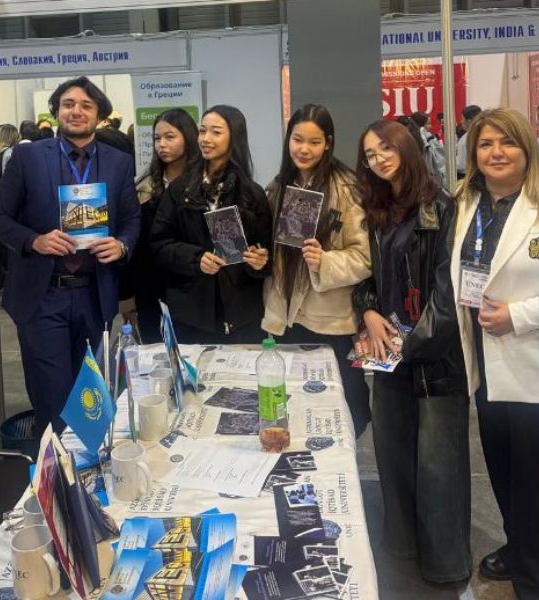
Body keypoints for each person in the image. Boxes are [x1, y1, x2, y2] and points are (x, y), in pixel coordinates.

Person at [452, 108, 539, 599]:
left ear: (528, 147)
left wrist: (519, 316)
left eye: (507, 143)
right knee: (502, 465)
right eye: (485, 144)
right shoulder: (465, 202)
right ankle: (520, 547)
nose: (496, 153)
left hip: (538, 358)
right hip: (485, 356)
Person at [0, 76, 140, 434]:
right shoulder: (27, 157)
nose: (76, 111)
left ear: (99, 115)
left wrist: (122, 244)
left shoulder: (119, 162)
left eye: (86, 105)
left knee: (90, 394)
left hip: (94, 293)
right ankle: (57, 467)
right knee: (52, 397)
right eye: (68, 104)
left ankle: (91, 463)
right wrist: (34, 241)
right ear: (56, 111)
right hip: (43, 295)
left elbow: (132, 219)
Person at [352, 119, 471, 583]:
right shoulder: (379, 210)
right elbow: (368, 278)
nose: (378, 159)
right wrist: (367, 310)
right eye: (369, 154)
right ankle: (401, 548)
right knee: (393, 457)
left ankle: (445, 567)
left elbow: (448, 299)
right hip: (390, 358)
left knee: (439, 470)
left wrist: (404, 347)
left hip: (433, 361)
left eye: (385, 148)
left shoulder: (441, 208)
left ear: (406, 146)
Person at [261, 104, 372, 437]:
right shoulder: (278, 186)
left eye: (314, 142)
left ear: (328, 144)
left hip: (330, 321)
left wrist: (325, 261)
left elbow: (365, 257)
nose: (304, 149)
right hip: (284, 319)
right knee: (292, 410)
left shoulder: (347, 189)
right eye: (297, 140)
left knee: (343, 412)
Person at [150, 105, 272, 344]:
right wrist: (196, 259)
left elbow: (268, 251)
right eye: (202, 131)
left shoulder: (252, 194)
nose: (205, 138)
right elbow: (159, 245)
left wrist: (260, 261)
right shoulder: (180, 189)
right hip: (191, 315)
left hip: (242, 317)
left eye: (216, 132)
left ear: (234, 137)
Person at [133, 109, 201, 343]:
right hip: (150, 287)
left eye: (170, 137)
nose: (161, 144)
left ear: (189, 138)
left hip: (193, 287)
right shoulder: (144, 187)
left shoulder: (204, 185)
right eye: (157, 138)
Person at [411, 110, 446, 185]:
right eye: (428, 124)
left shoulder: (412, 137)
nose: (430, 126)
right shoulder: (428, 138)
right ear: (421, 126)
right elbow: (439, 158)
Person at [456, 105, 482, 177]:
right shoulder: (483, 134)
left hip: (468, 176)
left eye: (462, 119)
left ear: (469, 121)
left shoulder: (466, 139)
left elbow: (461, 165)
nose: (461, 122)